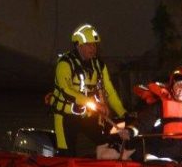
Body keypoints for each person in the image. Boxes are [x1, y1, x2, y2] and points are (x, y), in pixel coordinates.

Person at [45, 23, 126, 156]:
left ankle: (107, 164)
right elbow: (66, 90)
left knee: (108, 141)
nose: (93, 48)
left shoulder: (99, 65)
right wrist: (91, 102)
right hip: (65, 116)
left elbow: (110, 91)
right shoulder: (65, 63)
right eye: (88, 45)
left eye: (94, 45)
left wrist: (123, 113)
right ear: (78, 45)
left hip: (88, 115)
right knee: (67, 153)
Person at [121, 67, 182, 164]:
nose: (181, 88)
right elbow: (144, 122)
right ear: (172, 86)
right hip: (163, 152)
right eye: (178, 84)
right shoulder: (160, 105)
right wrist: (130, 131)